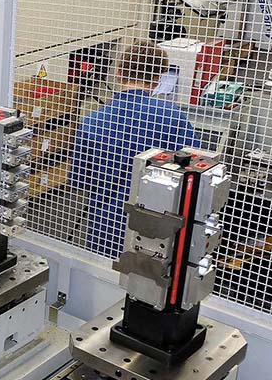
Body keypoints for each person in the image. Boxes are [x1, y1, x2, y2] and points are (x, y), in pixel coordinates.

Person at [70, 38, 201, 258]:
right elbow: (192, 176)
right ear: (158, 79)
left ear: (119, 73)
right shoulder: (174, 119)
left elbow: (81, 180)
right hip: (156, 231)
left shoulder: (91, 121)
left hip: (104, 227)